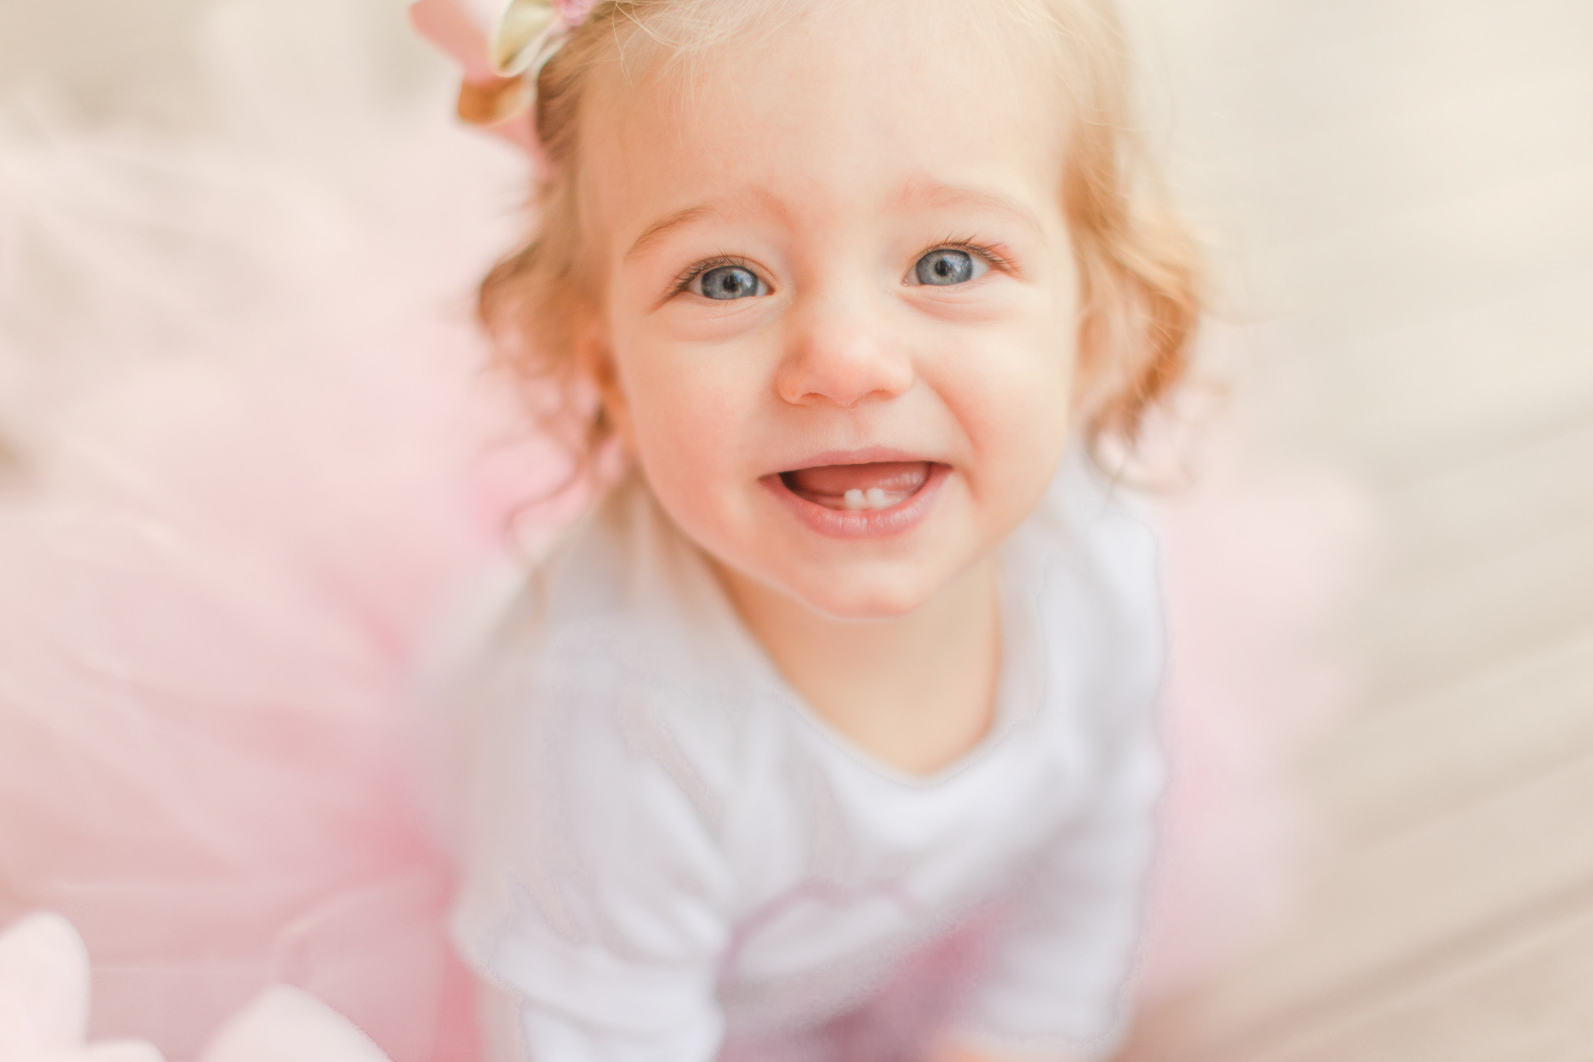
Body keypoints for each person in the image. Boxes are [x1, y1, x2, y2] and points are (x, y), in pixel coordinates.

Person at [411, 1, 1202, 1059]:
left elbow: (1094, 853)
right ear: (609, 372)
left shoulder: (1096, 560)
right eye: (727, 278)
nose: (844, 358)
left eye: (949, 263)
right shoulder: (605, 728)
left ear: (1094, 327)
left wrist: (1015, 1035)